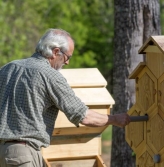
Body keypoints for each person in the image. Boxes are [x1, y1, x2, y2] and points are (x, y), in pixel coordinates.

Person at [0, 28, 131, 167]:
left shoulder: (7, 68)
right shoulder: (50, 75)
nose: (67, 62)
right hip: (22, 155)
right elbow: (83, 115)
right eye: (67, 57)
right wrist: (114, 119)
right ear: (56, 52)